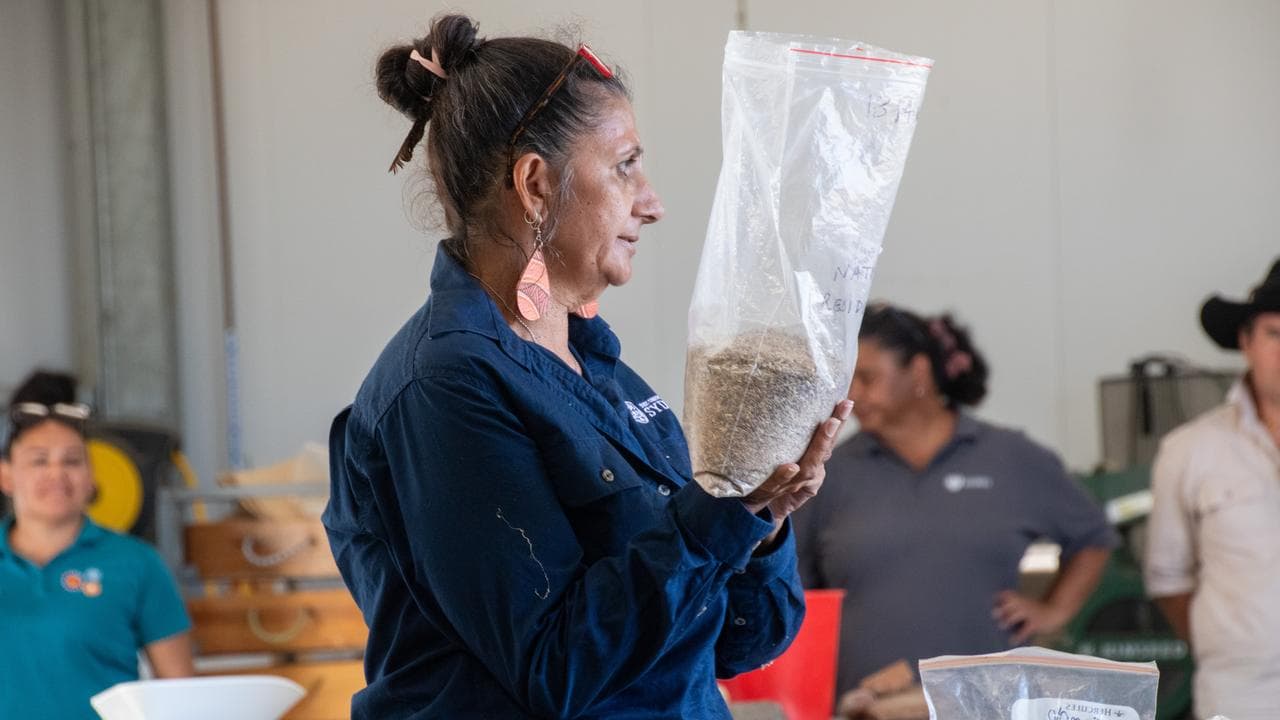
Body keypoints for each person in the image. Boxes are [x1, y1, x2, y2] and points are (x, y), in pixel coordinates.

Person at [322, 14, 852, 720]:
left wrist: (761, 510)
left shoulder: (597, 370)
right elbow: (558, 669)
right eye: (626, 166)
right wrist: (708, 524)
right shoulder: (445, 388)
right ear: (536, 184)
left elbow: (737, 641)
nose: (653, 202)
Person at [794, 303, 1115, 701]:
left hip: (987, 705)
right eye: (848, 380)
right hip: (863, 705)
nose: (854, 394)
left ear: (920, 372)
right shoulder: (829, 472)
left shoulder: (1010, 458)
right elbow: (796, 593)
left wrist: (1054, 610)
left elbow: (1094, 538)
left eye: (868, 377)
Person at [0, 371, 193, 720]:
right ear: (6, 476)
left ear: (91, 476)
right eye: (39, 460)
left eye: (72, 460)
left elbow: (180, 697)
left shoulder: (138, 563)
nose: (56, 474)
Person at [1145, 259, 1280, 720]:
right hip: (1239, 695)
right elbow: (1168, 577)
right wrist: (1229, 645)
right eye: (1274, 333)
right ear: (1245, 341)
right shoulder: (1190, 450)